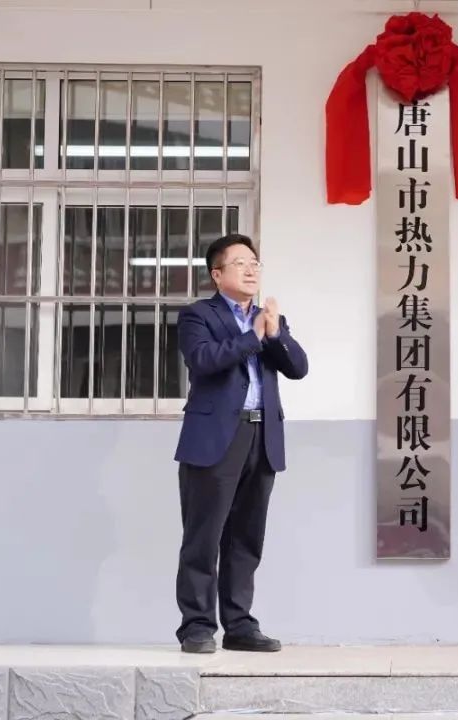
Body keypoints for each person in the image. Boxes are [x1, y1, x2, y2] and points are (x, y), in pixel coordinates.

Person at [173, 233, 309, 654]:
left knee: (246, 539)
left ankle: (239, 625)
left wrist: (274, 334)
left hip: (261, 436)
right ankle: (197, 626)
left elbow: (298, 368)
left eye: (255, 263)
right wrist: (252, 336)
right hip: (215, 438)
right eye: (240, 263)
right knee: (204, 537)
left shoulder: (269, 319)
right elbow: (203, 360)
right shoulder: (198, 315)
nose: (251, 270)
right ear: (217, 274)